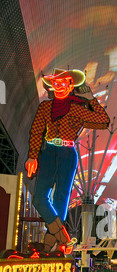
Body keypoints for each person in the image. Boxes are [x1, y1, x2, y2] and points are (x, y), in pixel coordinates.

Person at [25, 68, 110, 254]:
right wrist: (32, 155)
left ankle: (48, 247)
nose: (59, 86)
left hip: (67, 153)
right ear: (52, 86)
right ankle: (63, 238)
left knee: (61, 200)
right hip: (47, 152)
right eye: (55, 83)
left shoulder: (77, 109)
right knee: (39, 198)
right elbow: (37, 131)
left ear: (71, 86)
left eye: (63, 83)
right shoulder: (45, 107)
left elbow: (103, 121)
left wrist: (90, 99)